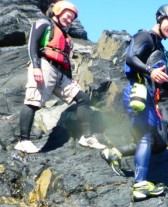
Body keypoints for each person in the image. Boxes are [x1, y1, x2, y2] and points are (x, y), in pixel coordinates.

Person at [110, 4, 168, 201]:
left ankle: (114, 152)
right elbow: (130, 58)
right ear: (160, 18)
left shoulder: (160, 48)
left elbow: (165, 82)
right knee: (144, 137)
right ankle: (140, 185)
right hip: (137, 93)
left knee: (156, 141)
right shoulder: (145, 37)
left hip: (150, 97)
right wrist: (150, 71)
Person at [14, 1, 106, 154]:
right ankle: (23, 141)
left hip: (60, 73)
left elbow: (65, 59)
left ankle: (87, 137)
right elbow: (32, 44)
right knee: (33, 101)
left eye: (72, 19)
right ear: (58, 11)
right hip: (44, 66)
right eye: (68, 16)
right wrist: (36, 67)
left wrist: (70, 78)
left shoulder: (65, 36)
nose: (69, 20)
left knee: (83, 98)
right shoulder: (44, 23)